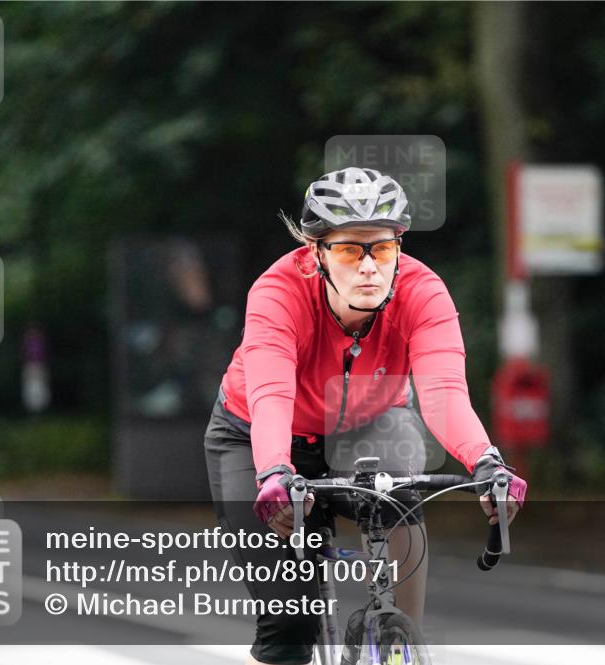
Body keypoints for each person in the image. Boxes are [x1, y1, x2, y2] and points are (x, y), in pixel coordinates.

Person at [204, 166, 528, 665]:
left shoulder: (423, 292)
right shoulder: (278, 293)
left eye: (382, 248)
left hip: (365, 426)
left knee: (398, 481)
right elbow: (272, 393)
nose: (369, 266)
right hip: (257, 437)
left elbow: (443, 393)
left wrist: (486, 461)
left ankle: (399, 644)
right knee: (290, 624)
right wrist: (273, 470)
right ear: (317, 254)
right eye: (350, 250)